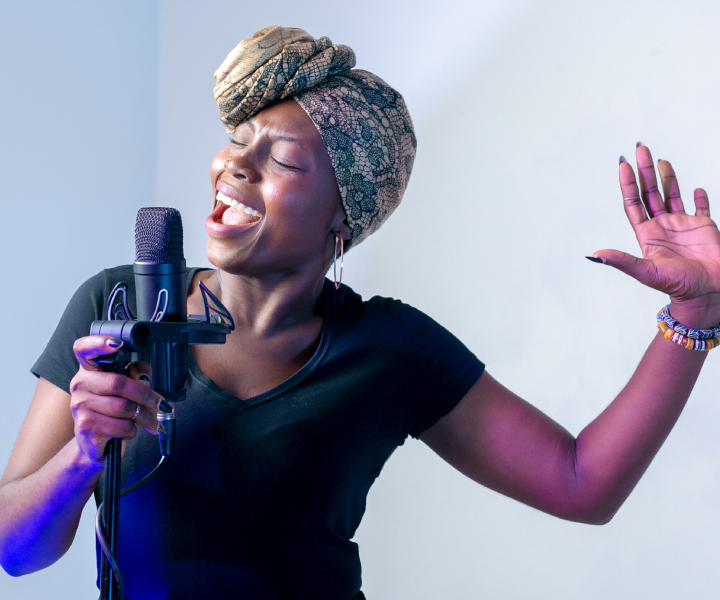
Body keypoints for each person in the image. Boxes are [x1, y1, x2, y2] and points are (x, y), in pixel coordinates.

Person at [1, 25, 719, 600]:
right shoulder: (116, 306)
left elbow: (580, 483)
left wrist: (697, 316)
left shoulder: (389, 348)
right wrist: (82, 456)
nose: (234, 166)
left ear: (344, 215)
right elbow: (14, 552)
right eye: (238, 142)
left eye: (280, 160)